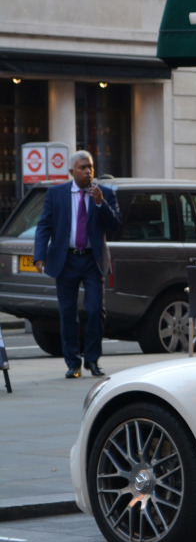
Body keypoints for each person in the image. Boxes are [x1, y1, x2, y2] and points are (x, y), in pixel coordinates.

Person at [33, 150, 121, 379]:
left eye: (90, 167)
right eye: (82, 167)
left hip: (93, 260)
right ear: (72, 171)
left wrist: (100, 203)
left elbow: (115, 224)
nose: (88, 171)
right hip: (67, 259)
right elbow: (44, 226)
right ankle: (73, 364)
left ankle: (92, 359)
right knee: (68, 313)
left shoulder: (105, 194)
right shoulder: (56, 194)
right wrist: (39, 255)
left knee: (95, 310)